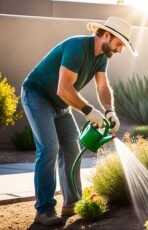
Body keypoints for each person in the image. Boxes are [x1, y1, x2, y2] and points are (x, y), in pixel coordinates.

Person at [21, 16, 138, 226]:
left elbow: (102, 86)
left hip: (60, 105)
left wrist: (109, 111)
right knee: (49, 148)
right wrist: (88, 111)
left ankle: (72, 202)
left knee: (73, 149)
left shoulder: (102, 55)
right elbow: (63, 88)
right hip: (37, 95)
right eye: (119, 44)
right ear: (106, 35)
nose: (120, 50)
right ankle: (45, 209)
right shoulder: (77, 47)